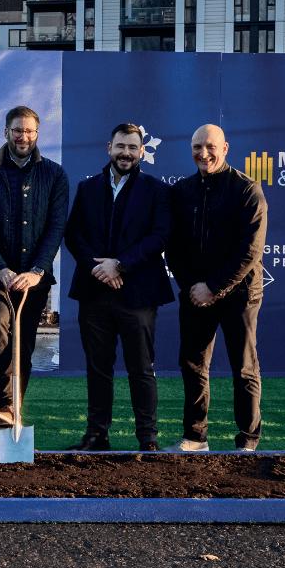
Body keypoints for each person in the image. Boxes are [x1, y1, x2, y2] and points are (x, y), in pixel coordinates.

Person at [64, 123, 174, 451]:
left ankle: (148, 438)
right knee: (98, 368)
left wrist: (120, 264)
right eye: (120, 146)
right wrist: (98, 268)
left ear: (141, 151)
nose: (126, 153)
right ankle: (97, 435)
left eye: (132, 147)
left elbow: (160, 236)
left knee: (141, 368)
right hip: (94, 292)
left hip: (138, 294)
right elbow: (74, 235)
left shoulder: (156, 190)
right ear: (109, 148)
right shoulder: (88, 188)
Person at [166, 124, 267, 452]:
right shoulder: (182, 191)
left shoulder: (247, 190)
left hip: (240, 293)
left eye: (210, 146)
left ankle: (248, 441)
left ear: (225, 148)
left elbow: (250, 251)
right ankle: (196, 438)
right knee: (193, 364)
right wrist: (192, 287)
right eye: (197, 147)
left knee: (244, 366)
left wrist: (213, 287)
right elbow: (173, 247)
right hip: (195, 293)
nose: (204, 153)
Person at [0, 106, 68, 429]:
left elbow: (56, 227)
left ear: (37, 134)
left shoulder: (54, 174)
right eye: (17, 130)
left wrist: (37, 271)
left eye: (28, 131)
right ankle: (6, 405)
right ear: (6, 132)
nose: (22, 136)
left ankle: (15, 408)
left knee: (24, 341)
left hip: (33, 277)